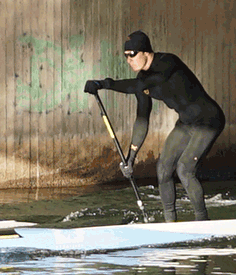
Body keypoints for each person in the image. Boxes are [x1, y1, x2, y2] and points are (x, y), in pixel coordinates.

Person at [84, 30, 224, 221]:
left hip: (209, 121)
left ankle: (202, 222)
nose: (129, 60)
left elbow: (136, 86)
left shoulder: (167, 62)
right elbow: (142, 119)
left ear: (146, 52)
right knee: (163, 169)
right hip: (186, 123)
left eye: (132, 54)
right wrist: (131, 158)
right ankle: (169, 224)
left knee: (184, 169)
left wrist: (103, 84)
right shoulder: (142, 81)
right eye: (126, 56)